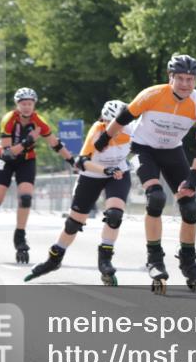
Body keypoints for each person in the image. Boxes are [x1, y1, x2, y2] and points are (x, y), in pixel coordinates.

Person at [95, 54, 196, 294]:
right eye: (180, 78)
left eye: (190, 79)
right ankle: (155, 260)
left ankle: (189, 263)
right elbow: (124, 117)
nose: (185, 84)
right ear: (170, 77)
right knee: (156, 198)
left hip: (173, 151)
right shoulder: (152, 94)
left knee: (190, 207)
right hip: (144, 148)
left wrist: (193, 177)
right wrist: (105, 138)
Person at [0, 88, 75, 262]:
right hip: (5, 160)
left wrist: (72, 161)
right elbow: (7, 153)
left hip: (26, 161)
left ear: (34, 105)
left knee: (25, 198)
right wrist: (28, 141)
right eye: (23, 104)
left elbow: (55, 144)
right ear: (17, 105)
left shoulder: (39, 122)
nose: (26, 107)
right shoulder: (9, 119)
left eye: (30, 104)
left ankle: (19, 237)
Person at [25, 100, 132, 285]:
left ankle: (105, 260)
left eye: (120, 123)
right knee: (73, 223)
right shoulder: (97, 130)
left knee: (114, 215)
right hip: (92, 174)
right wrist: (105, 170)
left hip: (118, 173)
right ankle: (54, 259)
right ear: (103, 120)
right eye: (110, 123)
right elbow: (82, 162)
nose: (116, 128)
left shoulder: (132, 129)